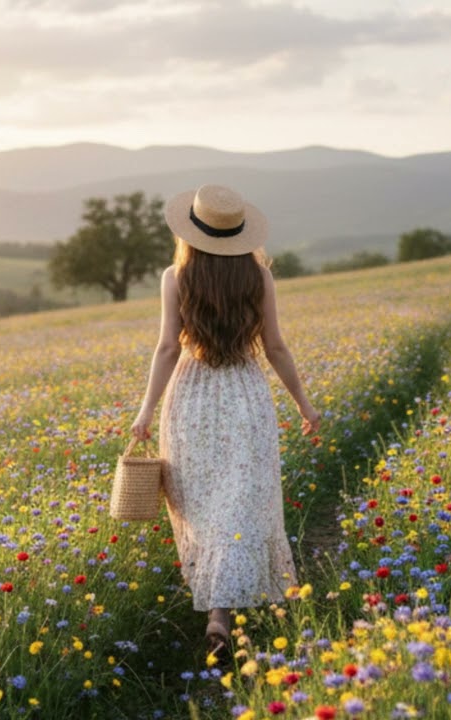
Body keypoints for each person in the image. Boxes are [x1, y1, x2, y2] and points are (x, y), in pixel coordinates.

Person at [129, 184, 321, 661]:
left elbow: (169, 348)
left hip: (191, 400)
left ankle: (218, 613)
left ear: (192, 232)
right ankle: (225, 609)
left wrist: (146, 410)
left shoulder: (176, 276)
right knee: (239, 502)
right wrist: (303, 404)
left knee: (205, 508)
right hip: (245, 397)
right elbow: (275, 347)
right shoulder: (259, 276)